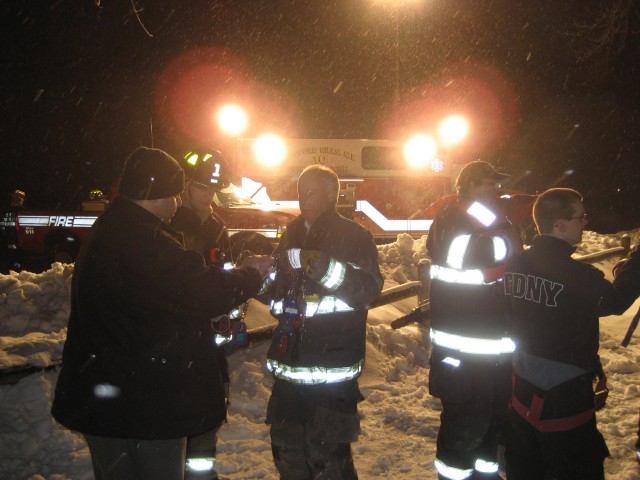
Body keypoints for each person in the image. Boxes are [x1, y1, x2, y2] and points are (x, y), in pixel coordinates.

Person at [51, 146, 274, 480]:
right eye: (174, 195)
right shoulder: (143, 239)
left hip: (112, 396)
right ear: (158, 194)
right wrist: (251, 275)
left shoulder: (113, 226)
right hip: (143, 404)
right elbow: (197, 289)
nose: (175, 205)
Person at [503, 188, 640, 479]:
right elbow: (615, 301)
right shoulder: (578, 276)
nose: (586, 222)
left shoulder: (516, 265)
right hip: (565, 404)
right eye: (581, 217)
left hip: (522, 396)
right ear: (560, 224)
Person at [260, 164, 383, 479]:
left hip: (332, 372)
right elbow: (276, 290)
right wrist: (257, 276)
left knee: (328, 462)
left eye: (311, 191)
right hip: (289, 372)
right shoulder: (291, 232)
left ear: (332, 194)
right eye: (300, 191)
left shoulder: (354, 236)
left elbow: (367, 290)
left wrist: (325, 268)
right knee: (287, 455)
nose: (303, 197)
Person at [426, 160, 523, 480]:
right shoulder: (451, 217)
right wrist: (507, 250)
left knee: (492, 430)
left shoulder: (495, 217)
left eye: (496, 183)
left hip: (495, 352)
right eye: (486, 183)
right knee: (464, 430)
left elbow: (507, 257)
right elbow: (463, 259)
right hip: (462, 354)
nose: (494, 189)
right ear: (466, 185)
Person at [170, 150, 233, 480]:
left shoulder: (218, 227)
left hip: (210, 345)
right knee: (173, 426)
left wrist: (230, 313)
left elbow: (226, 272)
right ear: (185, 187)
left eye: (211, 188)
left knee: (207, 418)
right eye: (199, 187)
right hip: (177, 343)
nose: (206, 194)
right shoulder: (169, 223)